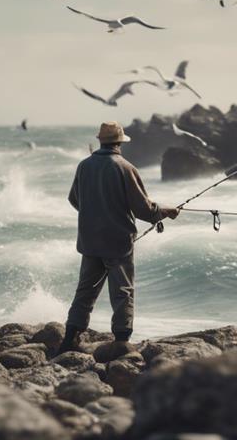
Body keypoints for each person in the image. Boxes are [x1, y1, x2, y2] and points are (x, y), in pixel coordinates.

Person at [56, 121, 179, 354]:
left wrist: (96, 213)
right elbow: (143, 209)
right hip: (117, 242)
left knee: (85, 290)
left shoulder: (84, 165)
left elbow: (74, 200)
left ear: (102, 141)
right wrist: (166, 211)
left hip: (90, 240)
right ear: (120, 143)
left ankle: (70, 337)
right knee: (122, 290)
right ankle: (122, 339)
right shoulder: (125, 167)